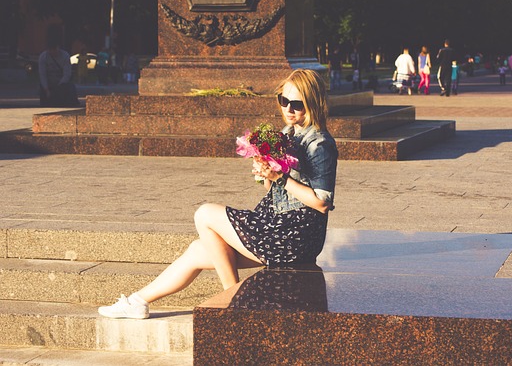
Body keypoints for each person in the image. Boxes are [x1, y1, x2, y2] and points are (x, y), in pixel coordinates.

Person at [98, 69, 339, 319]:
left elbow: (321, 203)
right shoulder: (288, 133)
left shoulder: (319, 143)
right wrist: (266, 173)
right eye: (283, 100)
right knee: (197, 250)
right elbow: (278, 191)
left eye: (297, 104)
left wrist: (279, 177)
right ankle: (138, 302)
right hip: (279, 225)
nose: (288, 109)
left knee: (205, 214)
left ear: (313, 103)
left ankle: (233, 299)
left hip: (296, 235)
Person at [38, 25, 77, 107]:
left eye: (54, 49)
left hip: (61, 84)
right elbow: (43, 75)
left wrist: (59, 87)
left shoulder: (65, 56)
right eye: (50, 50)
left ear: (58, 47)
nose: (53, 52)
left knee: (67, 90)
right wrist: (46, 89)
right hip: (49, 84)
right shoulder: (43, 57)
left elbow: (67, 74)